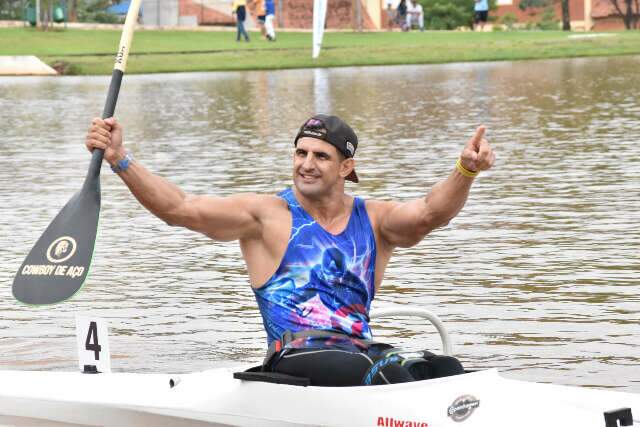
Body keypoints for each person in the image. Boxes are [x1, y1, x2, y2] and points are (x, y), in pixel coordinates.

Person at [85, 114, 495, 386]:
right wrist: (120, 159)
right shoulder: (266, 216)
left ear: (346, 168)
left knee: (445, 369)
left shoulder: (375, 220)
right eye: (301, 152)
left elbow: (429, 214)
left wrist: (465, 171)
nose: (306, 164)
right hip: (294, 358)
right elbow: (179, 209)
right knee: (391, 377)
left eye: (321, 155)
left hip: (362, 351)